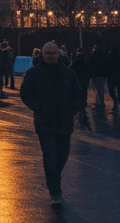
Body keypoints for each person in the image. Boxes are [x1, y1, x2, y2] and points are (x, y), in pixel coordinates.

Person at [20, 41, 87, 206]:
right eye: (47, 53)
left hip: (64, 122)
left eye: (53, 53)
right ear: (43, 55)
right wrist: (38, 108)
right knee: (50, 156)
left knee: (62, 156)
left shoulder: (68, 74)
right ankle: (55, 191)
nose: (51, 56)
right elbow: (25, 93)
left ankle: (53, 178)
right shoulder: (34, 73)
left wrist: (72, 110)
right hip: (45, 123)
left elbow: (79, 94)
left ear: (58, 55)